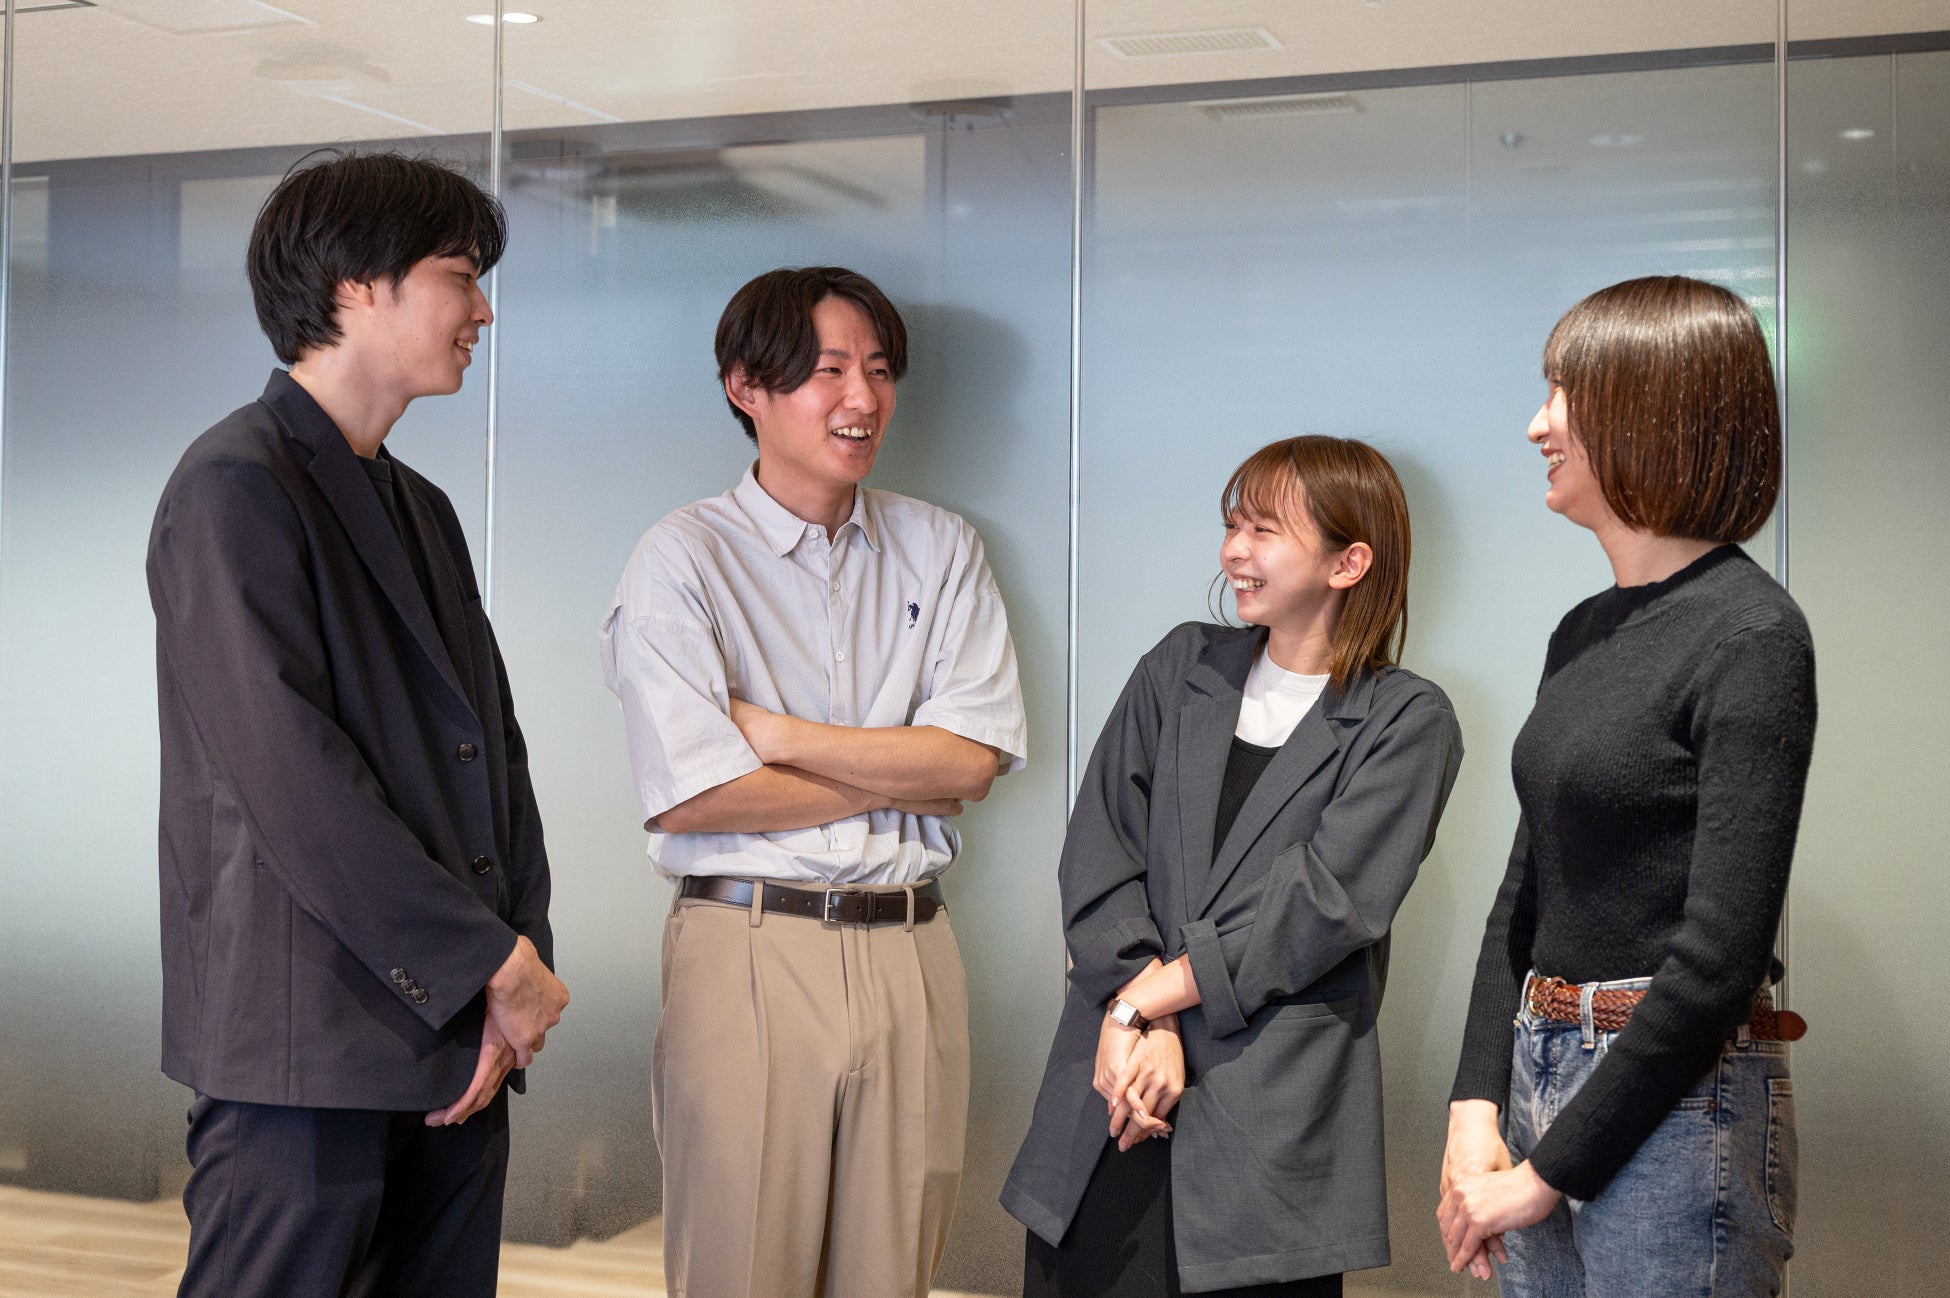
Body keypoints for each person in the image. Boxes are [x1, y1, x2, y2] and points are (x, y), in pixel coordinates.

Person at [146, 151, 568, 1298]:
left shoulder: (421, 506)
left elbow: (493, 754)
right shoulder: (233, 484)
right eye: (459, 275)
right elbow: (296, 781)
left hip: (453, 1040)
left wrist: (514, 967)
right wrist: (488, 961)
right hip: (306, 1052)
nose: (482, 310)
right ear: (354, 285)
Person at [600, 265, 1027, 1297]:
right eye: (828, 370)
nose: (862, 398)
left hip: (912, 945)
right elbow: (696, 794)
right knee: (745, 1270)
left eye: (879, 370)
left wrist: (780, 736)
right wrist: (899, 771)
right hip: (748, 941)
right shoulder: (683, 558)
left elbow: (969, 763)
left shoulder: (941, 547)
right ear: (746, 386)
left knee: (893, 1276)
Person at [1003, 435, 1464, 1296]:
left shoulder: (1406, 721)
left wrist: (1145, 1003)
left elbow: (1323, 906)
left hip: (1267, 1133)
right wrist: (1143, 1017)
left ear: (1349, 562)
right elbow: (1099, 852)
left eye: (1264, 530)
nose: (1234, 552)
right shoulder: (1182, 667)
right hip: (1114, 1097)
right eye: (1232, 525)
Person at [1437, 275, 1816, 1296]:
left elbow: (1720, 957)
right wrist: (1474, 1107)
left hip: (1677, 1098)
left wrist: (1547, 1174)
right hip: (1539, 1065)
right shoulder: (1582, 630)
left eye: (1563, 393)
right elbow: (1524, 893)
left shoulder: (1753, 633)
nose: (1537, 425)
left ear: (1652, 409)